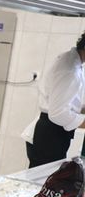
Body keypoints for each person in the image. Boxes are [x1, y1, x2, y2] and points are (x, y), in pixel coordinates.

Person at [23, 32, 85, 168]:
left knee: (46, 181)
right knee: (42, 183)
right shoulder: (69, 70)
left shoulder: (73, 61)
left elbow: (68, 99)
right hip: (50, 134)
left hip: (52, 132)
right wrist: (83, 122)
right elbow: (58, 114)